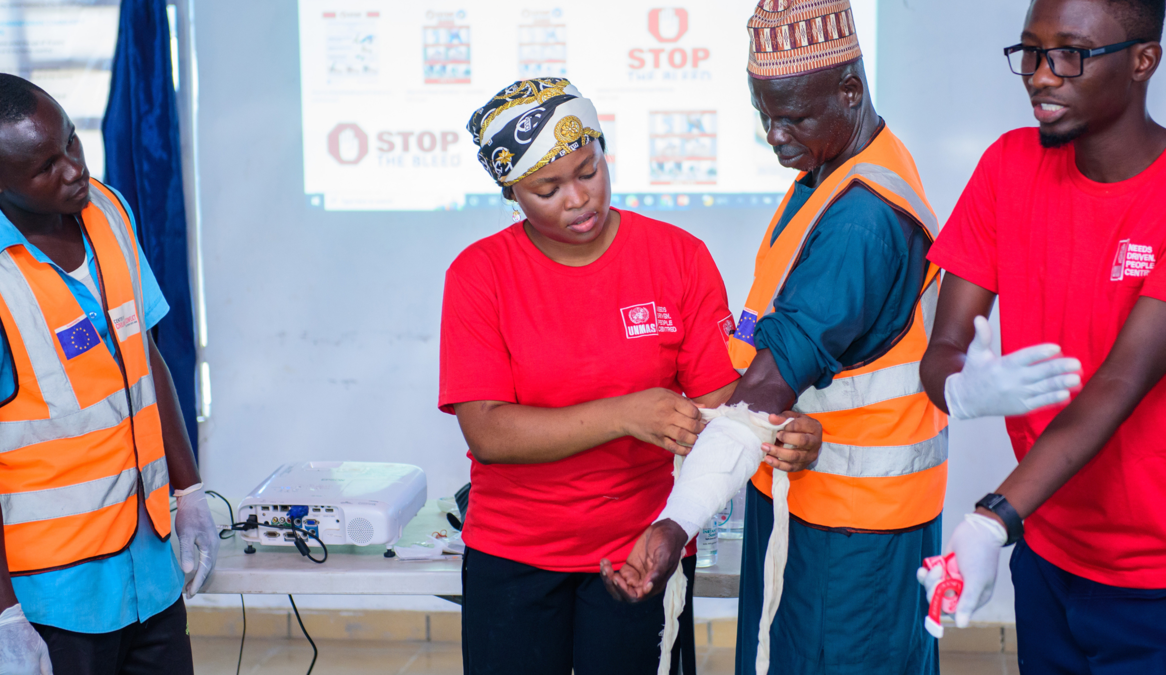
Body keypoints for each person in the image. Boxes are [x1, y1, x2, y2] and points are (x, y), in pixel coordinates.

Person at [603, 1, 954, 673]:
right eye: (763, 114)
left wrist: (676, 525)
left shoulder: (860, 222)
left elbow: (763, 392)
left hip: (853, 532)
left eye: (793, 116)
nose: (775, 135)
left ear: (851, 91)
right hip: (815, 506)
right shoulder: (831, 172)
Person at [438, 77, 822, 675]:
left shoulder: (678, 258)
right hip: (514, 557)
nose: (578, 199)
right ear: (512, 193)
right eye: (547, 188)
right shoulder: (479, 275)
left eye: (587, 171)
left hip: (644, 549)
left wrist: (780, 431)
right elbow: (487, 431)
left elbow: (724, 407)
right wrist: (624, 413)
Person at [918, 0, 1166, 670]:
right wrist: (961, 389)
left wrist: (994, 516)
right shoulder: (1008, 167)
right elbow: (943, 349)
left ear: (1144, 61)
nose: (1041, 75)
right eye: (1029, 52)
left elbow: (1119, 381)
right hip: (1048, 545)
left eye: (1070, 55)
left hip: (1153, 578)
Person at [0, 74, 218, 675]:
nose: (74, 169)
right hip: (50, 600)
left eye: (73, 144)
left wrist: (189, 490)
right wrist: (1, 617)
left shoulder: (108, 210)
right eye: (46, 165)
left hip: (149, 571)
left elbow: (145, 357)